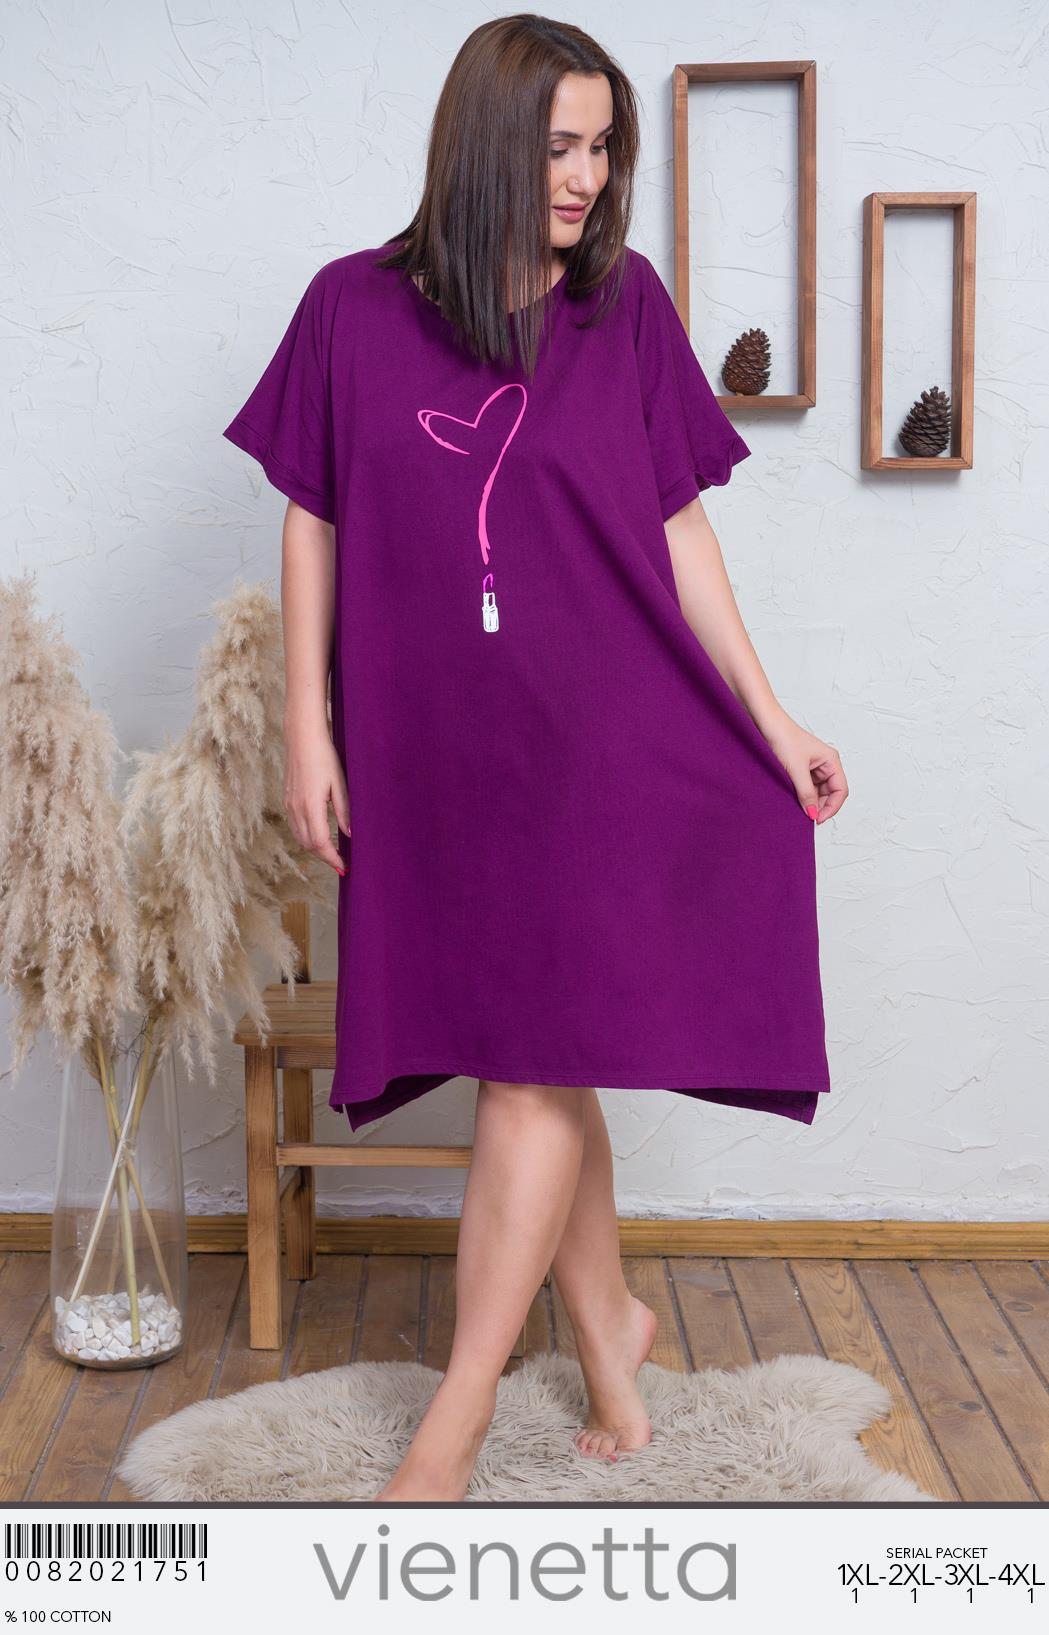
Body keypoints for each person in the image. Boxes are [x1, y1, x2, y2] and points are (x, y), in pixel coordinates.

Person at [222, 14, 848, 1502]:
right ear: (488, 144)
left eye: (602, 146)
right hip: (442, 761)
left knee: (528, 1065)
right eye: (560, 144)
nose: (588, 175)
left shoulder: (621, 309)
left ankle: (457, 1410)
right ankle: (612, 1343)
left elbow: (678, 524)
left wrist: (770, 716)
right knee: (545, 1053)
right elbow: (312, 515)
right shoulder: (350, 307)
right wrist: (306, 723)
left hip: (606, 750)